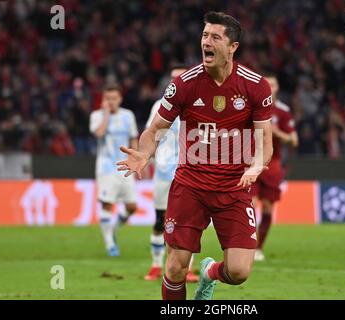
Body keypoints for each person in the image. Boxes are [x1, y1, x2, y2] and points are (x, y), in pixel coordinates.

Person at [116, 11, 273, 300]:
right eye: (204, 35)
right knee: (175, 267)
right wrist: (143, 154)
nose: (206, 42)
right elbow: (155, 130)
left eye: (215, 37)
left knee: (239, 272)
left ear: (233, 47)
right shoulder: (184, 84)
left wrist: (257, 164)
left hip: (234, 187)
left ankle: (209, 272)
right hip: (191, 186)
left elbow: (265, 139)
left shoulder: (255, 86)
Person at [144, 65, 199, 283]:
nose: (177, 81)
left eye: (181, 77)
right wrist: (146, 158)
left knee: (189, 223)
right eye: (173, 78)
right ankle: (156, 265)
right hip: (164, 172)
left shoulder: (198, 104)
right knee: (160, 221)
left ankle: (188, 269)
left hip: (191, 173)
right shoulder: (159, 106)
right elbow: (151, 133)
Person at [251, 75, 298, 261]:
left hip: (273, 164)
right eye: (267, 84)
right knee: (251, 205)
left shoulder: (283, 112)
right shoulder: (252, 106)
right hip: (252, 162)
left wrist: (275, 132)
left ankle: (259, 248)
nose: (270, 87)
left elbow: (294, 140)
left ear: (277, 87)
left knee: (268, 208)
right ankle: (247, 246)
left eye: (273, 84)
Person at [90, 84, 139, 257]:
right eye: (107, 98)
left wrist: (135, 160)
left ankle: (111, 230)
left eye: (113, 98)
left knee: (132, 206)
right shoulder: (96, 116)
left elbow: (133, 138)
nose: (110, 101)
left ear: (120, 99)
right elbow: (99, 134)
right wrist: (105, 115)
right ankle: (110, 244)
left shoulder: (128, 116)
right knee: (107, 203)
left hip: (124, 165)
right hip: (106, 167)